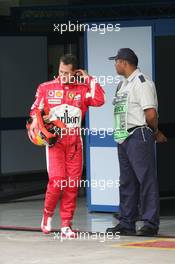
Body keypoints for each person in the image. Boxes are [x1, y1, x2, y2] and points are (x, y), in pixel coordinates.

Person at [30, 54, 105, 237]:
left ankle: (66, 225)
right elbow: (34, 110)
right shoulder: (46, 88)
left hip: (74, 143)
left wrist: (88, 78)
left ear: (74, 73)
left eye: (66, 73)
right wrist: (35, 120)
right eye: (60, 71)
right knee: (57, 182)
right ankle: (47, 215)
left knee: (72, 184)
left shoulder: (82, 89)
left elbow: (99, 100)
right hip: (55, 142)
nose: (62, 75)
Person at [106, 48, 167, 237]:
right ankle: (126, 223)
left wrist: (155, 132)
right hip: (123, 137)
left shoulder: (142, 83)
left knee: (146, 180)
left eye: (116, 61)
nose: (115, 64)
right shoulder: (122, 85)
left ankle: (150, 223)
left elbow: (150, 114)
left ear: (124, 62)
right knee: (126, 182)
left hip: (138, 135)